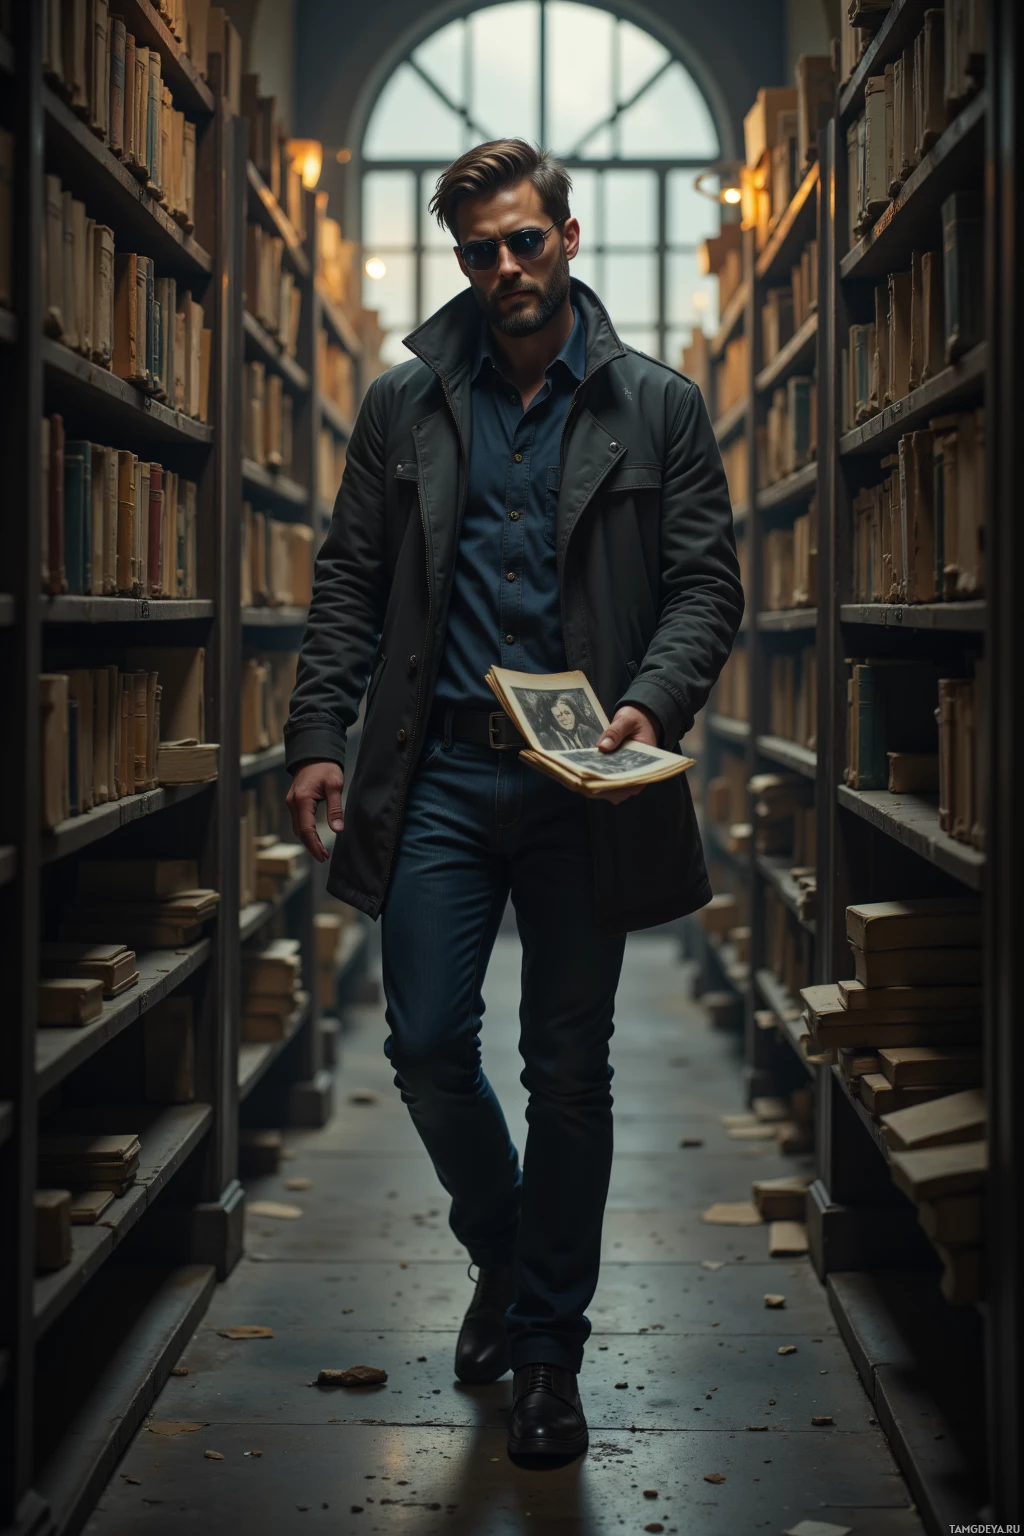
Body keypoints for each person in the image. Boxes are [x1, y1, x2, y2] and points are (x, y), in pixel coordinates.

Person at [284, 139, 743, 1461]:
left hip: (587, 781)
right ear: (462, 260)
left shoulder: (655, 408)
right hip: (439, 769)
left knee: (568, 1069)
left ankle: (548, 1348)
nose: (504, 268)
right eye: (479, 249)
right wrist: (322, 733)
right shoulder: (405, 407)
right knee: (425, 1041)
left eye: (524, 241)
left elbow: (707, 587)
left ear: (569, 236)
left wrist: (651, 699)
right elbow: (350, 588)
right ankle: (505, 1250)